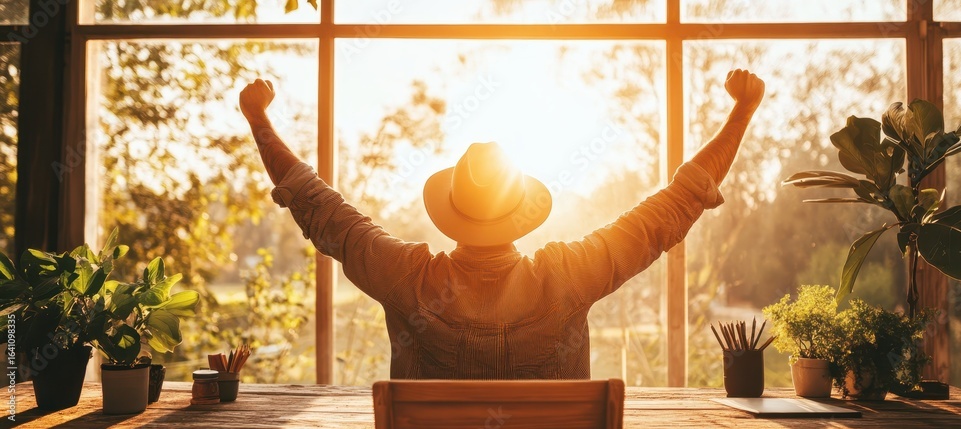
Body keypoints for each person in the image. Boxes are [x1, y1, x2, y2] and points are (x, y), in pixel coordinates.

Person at [239, 69, 765, 379]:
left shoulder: (405, 278)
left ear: (452, 211)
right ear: (519, 213)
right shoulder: (568, 276)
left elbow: (317, 206)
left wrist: (258, 118)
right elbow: (670, 209)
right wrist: (742, 111)